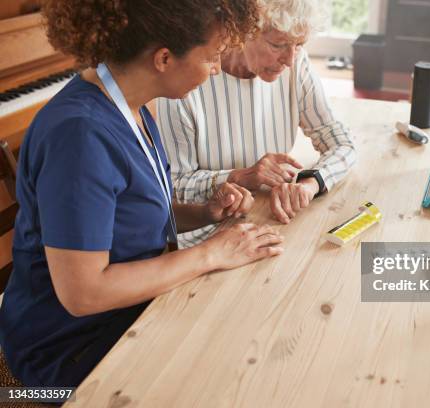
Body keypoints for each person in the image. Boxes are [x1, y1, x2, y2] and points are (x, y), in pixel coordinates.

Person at [0, 0, 282, 388]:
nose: (217, 69)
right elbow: (83, 294)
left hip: (125, 310)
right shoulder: (80, 136)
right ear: (164, 58)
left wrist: (204, 212)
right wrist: (210, 253)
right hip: (65, 349)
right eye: (212, 57)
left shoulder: (131, 107)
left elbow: (125, 214)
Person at [157, 0, 357, 247]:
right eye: (278, 44)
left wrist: (310, 184)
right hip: (207, 236)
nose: (289, 60)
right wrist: (241, 177)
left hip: (269, 220)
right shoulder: (189, 78)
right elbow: (172, 188)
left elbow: (343, 144)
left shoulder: (296, 67)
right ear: (240, 33)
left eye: (299, 45)